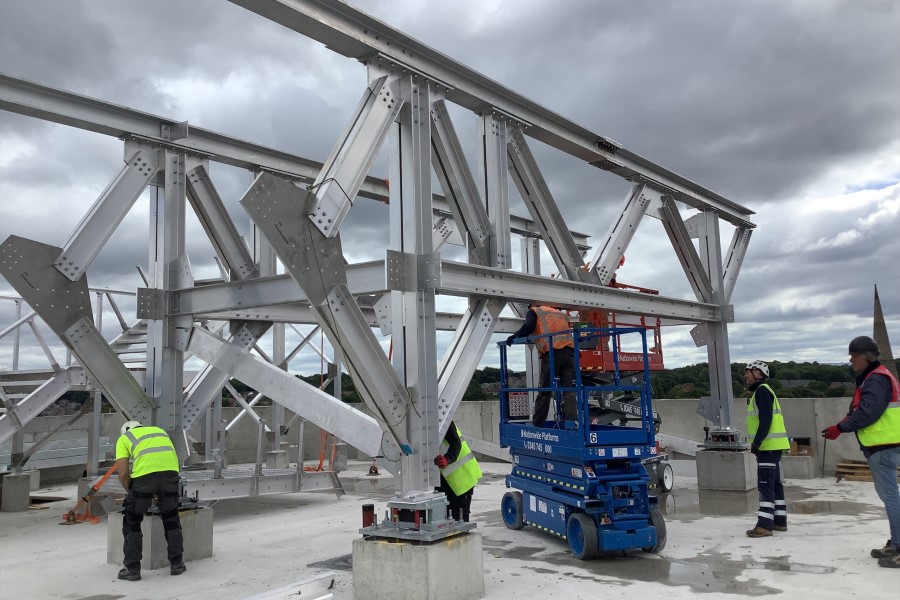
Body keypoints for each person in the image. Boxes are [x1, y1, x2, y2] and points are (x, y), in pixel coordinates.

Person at [822, 336, 900, 568]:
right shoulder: (876, 377)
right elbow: (862, 409)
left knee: (891, 498)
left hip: (882, 445)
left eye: (854, 355)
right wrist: (842, 423)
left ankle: (899, 547)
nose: (851, 360)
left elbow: (868, 413)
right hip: (884, 444)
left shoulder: (876, 380)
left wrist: (841, 428)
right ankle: (896, 543)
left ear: (867, 356)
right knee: (890, 497)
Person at [115, 420, 185, 581]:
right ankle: (177, 564)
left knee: (132, 521)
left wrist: (132, 492)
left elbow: (123, 473)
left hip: (144, 478)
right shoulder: (160, 431)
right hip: (170, 475)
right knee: (171, 519)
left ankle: (132, 569)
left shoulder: (124, 438)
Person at [507, 304, 577, 427]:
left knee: (545, 390)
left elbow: (528, 326)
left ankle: (538, 423)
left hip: (552, 353)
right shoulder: (559, 313)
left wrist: (515, 336)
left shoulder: (534, 311)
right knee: (569, 390)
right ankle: (570, 422)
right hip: (569, 353)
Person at [743, 360, 790, 538]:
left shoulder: (762, 392)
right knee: (775, 484)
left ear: (759, 374)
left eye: (749, 372)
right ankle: (779, 521)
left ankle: (764, 525)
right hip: (774, 447)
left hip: (768, 447)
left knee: (765, 485)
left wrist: (757, 444)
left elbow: (766, 420)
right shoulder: (763, 392)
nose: (746, 375)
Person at [434, 421, 482, 522]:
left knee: (459, 519)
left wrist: (448, 458)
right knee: (446, 518)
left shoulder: (442, 419)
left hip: (462, 476)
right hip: (445, 479)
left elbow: (456, 442)